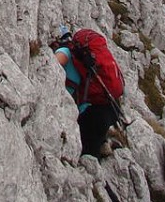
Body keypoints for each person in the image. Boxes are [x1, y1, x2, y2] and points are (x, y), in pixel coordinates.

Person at [51, 25, 125, 158]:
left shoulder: (65, 53)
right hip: (111, 105)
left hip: (91, 114)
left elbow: (50, 65)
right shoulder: (88, 58)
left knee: (87, 155)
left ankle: (95, 152)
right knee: (95, 137)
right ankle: (103, 143)